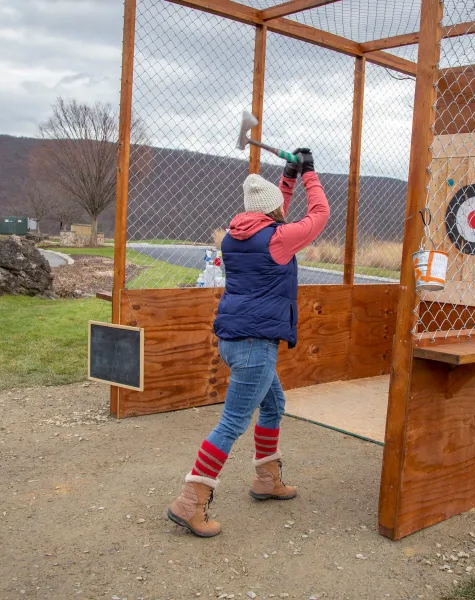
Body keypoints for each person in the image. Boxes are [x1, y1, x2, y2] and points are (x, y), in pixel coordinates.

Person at [167, 148, 329, 538]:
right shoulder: (277, 239)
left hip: (234, 339)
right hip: (256, 345)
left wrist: (287, 179)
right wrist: (310, 174)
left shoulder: (235, 237)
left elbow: (275, 213)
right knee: (232, 423)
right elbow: (319, 215)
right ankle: (190, 501)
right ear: (272, 213)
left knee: (274, 404)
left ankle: (266, 480)